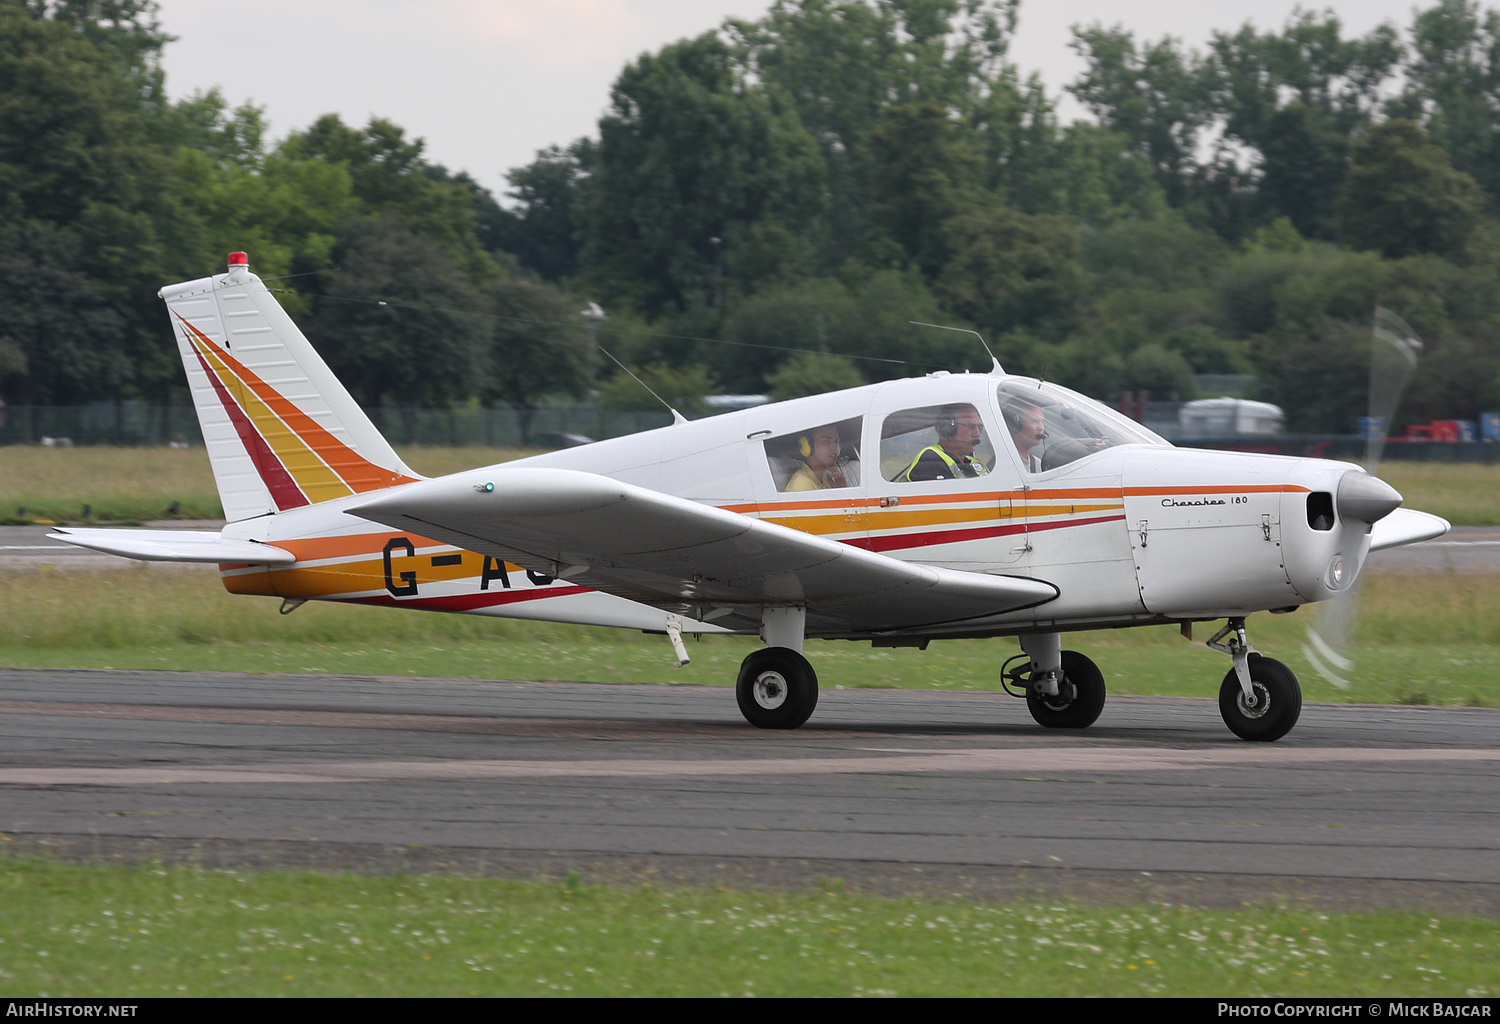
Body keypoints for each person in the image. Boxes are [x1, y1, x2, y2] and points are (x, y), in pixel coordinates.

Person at [903, 404, 989, 481]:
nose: (977, 434)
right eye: (971, 426)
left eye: (980, 427)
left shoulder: (973, 462)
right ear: (948, 428)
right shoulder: (931, 460)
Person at [785, 424, 851, 490]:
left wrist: (841, 489)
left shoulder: (826, 481)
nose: (835, 447)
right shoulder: (802, 485)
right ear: (807, 447)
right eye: (826, 441)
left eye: (836, 441)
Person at [1004, 396, 1047, 471]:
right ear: (1015, 424)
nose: (1041, 428)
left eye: (1042, 422)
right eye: (1034, 421)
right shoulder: (1002, 464)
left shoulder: (1037, 465)